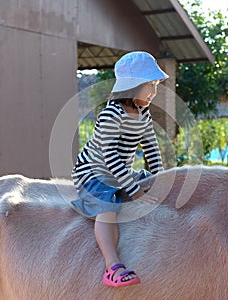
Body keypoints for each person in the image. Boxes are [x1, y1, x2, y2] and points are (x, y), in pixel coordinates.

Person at [71, 51, 168, 287]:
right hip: (93, 172)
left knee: (149, 181)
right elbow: (110, 156)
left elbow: (151, 148)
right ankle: (112, 266)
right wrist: (134, 191)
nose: (154, 92)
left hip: (119, 172)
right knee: (107, 206)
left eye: (155, 85)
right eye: (150, 85)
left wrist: (162, 178)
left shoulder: (143, 114)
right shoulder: (110, 115)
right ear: (132, 87)